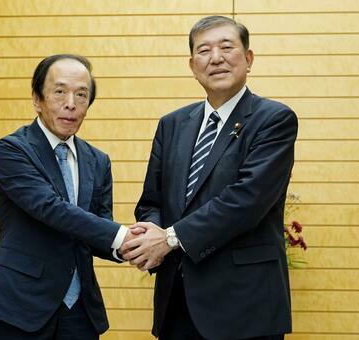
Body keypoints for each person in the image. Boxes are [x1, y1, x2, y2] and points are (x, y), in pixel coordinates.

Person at [121, 16, 297, 340]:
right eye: (204, 50)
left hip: (245, 308)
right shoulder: (171, 124)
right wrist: (149, 235)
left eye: (226, 47)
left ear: (248, 58)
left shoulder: (274, 120)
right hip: (177, 303)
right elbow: (151, 201)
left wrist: (170, 239)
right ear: (192, 65)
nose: (215, 58)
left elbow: (246, 201)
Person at [0, 54, 143, 339]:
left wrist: (132, 248)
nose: (71, 103)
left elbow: (97, 225)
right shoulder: (12, 149)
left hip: (79, 310)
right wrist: (122, 235)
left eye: (82, 95)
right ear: (37, 99)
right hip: (20, 305)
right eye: (59, 91)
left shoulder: (98, 160)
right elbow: (50, 209)